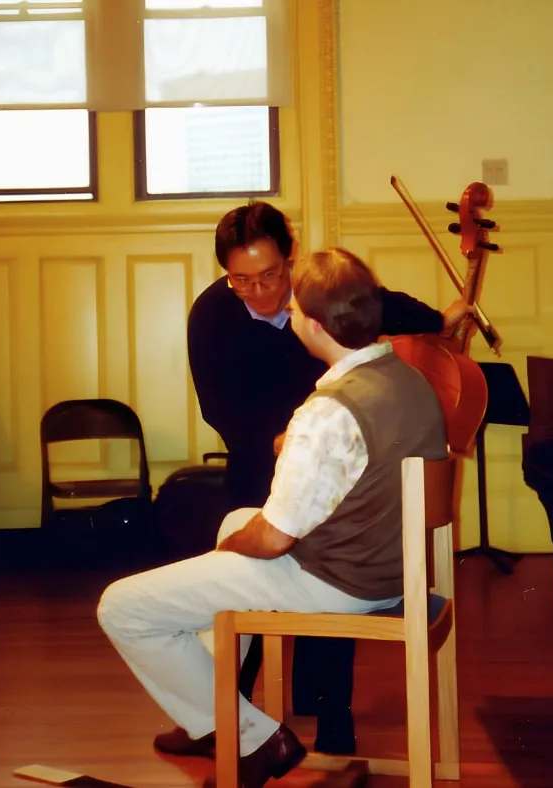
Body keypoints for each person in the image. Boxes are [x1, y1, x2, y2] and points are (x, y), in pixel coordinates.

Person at [99, 248, 448, 787]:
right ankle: (215, 715)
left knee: (122, 607)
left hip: (340, 584)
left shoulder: (326, 411)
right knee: (233, 519)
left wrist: (228, 553)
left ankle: (256, 739)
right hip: (394, 570)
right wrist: (298, 455)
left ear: (308, 323)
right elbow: (366, 457)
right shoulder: (411, 382)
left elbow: (273, 538)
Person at [186, 201, 470, 752]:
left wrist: (439, 319)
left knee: (335, 552)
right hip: (258, 456)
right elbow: (217, 407)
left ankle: (330, 710)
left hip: (331, 454)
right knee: (250, 560)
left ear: (289, 260)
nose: (263, 293)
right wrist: (277, 444)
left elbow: (377, 305)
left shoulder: (317, 300)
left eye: (271, 276)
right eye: (242, 282)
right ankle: (230, 709)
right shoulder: (211, 315)